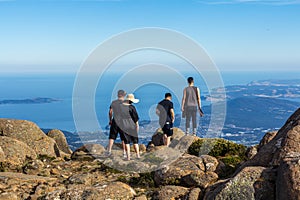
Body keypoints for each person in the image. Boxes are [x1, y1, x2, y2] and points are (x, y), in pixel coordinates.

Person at [118, 93, 140, 161]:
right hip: (132, 125)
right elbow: (135, 118)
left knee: (126, 142)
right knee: (135, 141)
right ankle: (138, 155)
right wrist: (137, 125)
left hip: (123, 126)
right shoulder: (132, 107)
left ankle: (128, 157)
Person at [106, 90, 127, 157]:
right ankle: (124, 153)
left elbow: (110, 112)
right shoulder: (126, 103)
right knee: (123, 138)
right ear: (124, 95)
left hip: (115, 120)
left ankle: (109, 151)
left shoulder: (114, 102)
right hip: (123, 121)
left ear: (118, 95)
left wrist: (110, 120)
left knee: (112, 137)